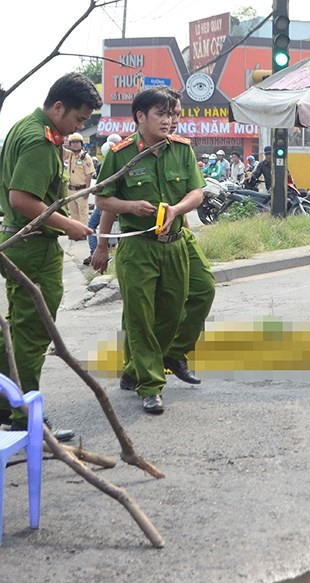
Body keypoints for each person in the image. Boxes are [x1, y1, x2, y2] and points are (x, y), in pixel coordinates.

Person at [0, 72, 101, 441]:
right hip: (31, 246)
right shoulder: (39, 141)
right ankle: (25, 417)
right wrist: (70, 225)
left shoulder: (23, 126)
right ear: (58, 107)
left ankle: (7, 405)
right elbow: (22, 199)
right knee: (33, 333)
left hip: (20, 243)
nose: (80, 127)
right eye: (78, 119)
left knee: (14, 331)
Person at [92, 87, 204, 415]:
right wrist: (130, 207)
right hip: (137, 247)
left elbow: (196, 192)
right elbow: (102, 199)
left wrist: (177, 208)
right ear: (140, 117)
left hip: (174, 246)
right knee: (140, 318)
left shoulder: (182, 150)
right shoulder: (121, 153)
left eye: (172, 114)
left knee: (170, 314)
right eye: (161, 114)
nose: (169, 121)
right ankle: (151, 385)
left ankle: (143, 366)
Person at [84, 133, 123, 265]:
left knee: (91, 226)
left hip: (108, 203)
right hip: (119, 203)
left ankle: (94, 252)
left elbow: (102, 191)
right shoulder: (124, 161)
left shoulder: (104, 165)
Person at [63, 132, 95, 225]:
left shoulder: (86, 157)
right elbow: (60, 150)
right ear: (70, 144)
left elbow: (89, 175)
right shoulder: (70, 155)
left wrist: (87, 190)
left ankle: (83, 231)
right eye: (73, 142)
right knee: (73, 212)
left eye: (77, 142)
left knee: (83, 212)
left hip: (81, 189)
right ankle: (76, 230)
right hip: (71, 189)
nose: (75, 144)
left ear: (81, 143)